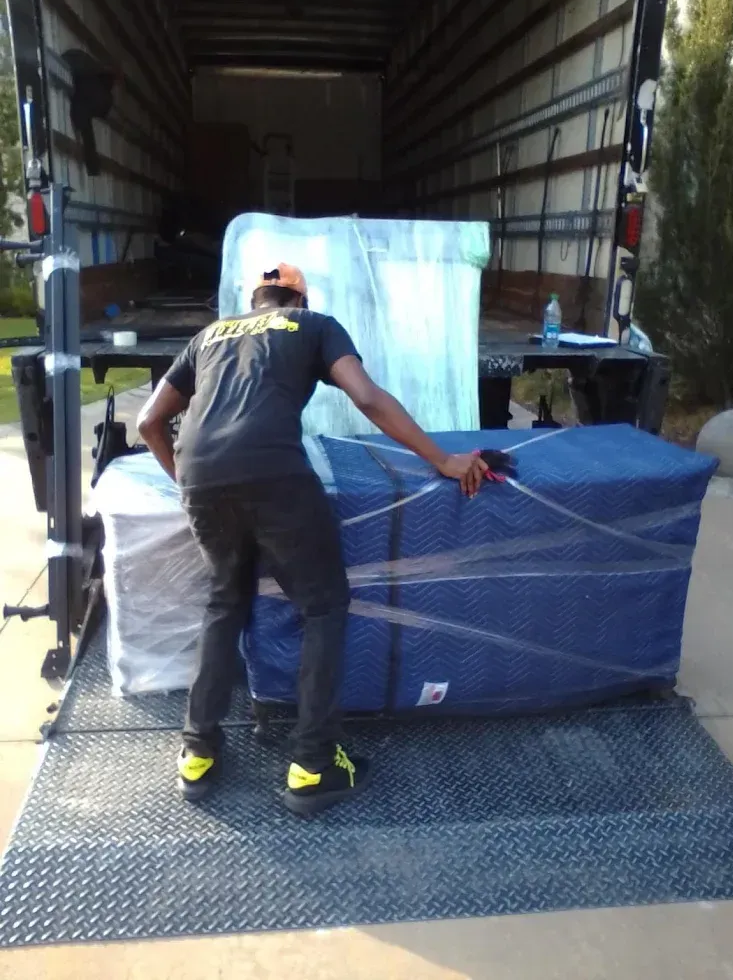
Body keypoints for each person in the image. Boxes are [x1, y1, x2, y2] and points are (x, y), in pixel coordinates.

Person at [137, 263, 488, 816]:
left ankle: (198, 753)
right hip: (276, 476)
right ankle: (313, 763)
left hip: (203, 478)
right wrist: (443, 458)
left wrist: (188, 483)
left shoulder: (208, 336)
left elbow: (149, 423)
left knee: (225, 603)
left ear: (252, 301)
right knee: (323, 605)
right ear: (297, 299)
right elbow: (366, 398)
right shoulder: (314, 324)